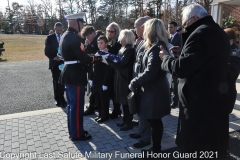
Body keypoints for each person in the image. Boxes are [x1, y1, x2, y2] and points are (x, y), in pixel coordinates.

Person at [160, 4, 230, 157]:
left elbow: (182, 69)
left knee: (195, 148)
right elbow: (201, 61)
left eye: (185, 24)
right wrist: (182, 54)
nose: (184, 28)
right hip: (212, 102)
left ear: (194, 18)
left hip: (199, 106)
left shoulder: (201, 33)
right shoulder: (217, 31)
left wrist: (166, 59)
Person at [129, 18, 171, 154]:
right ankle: (156, 149)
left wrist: (134, 82)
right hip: (153, 89)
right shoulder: (154, 45)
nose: (144, 31)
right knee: (154, 121)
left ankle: (156, 151)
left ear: (151, 30)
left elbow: (150, 72)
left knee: (154, 121)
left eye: (146, 28)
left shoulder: (156, 47)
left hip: (154, 91)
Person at [58, 13, 102, 141]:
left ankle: (74, 131)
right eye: (81, 23)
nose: (82, 26)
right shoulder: (74, 38)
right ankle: (77, 134)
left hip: (70, 74)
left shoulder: (65, 36)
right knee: (76, 107)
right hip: (75, 75)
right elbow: (84, 59)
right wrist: (99, 58)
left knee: (72, 106)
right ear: (74, 23)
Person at [105, 29, 136, 131]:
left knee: (126, 101)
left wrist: (108, 60)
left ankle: (129, 122)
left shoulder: (130, 49)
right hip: (120, 76)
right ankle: (125, 120)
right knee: (123, 101)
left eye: (121, 38)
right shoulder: (123, 48)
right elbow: (117, 60)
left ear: (126, 38)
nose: (119, 40)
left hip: (125, 78)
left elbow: (122, 63)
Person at [129, 17, 152, 148]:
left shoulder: (150, 42)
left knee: (145, 112)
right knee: (139, 111)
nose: (134, 28)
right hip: (138, 82)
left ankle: (146, 138)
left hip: (144, 83)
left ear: (144, 27)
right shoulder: (139, 41)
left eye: (136, 26)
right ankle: (141, 131)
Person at [80, 26, 103, 116]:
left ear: (93, 33)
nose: (87, 38)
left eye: (88, 36)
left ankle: (92, 107)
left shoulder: (99, 39)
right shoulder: (90, 41)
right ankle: (93, 106)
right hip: (91, 68)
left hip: (98, 69)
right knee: (92, 88)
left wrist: (88, 46)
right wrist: (87, 45)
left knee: (95, 90)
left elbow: (98, 56)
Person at [90, 35, 113, 123]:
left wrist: (105, 83)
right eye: (98, 43)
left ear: (106, 44)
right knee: (98, 98)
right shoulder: (98, 53)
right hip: (96, 80)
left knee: (104, 100)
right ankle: (100, 114)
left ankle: (105, 116)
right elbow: (93, 66)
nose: (99, 45)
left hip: (103, 81)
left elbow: (108, 70)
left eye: (101, 43)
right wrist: (91, 78)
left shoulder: (107, 54)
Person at [44, 22, 66, 108]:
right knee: (56, 82)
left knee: (62, 82)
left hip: (63, 63)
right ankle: (58, 98)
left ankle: (62, 98)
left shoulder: (64, 36)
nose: (59, 32)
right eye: (57, 30)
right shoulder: (49, 38)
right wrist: (54, 57)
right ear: (54, 29)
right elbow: (46, 52)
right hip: (54, 63)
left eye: (60, 30)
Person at [105, 22, 122, 119]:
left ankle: (116, 110)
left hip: (115, 70)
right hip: (109, 69)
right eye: (108, 31)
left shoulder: (118, 42)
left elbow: (116, 56)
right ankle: (116, 110)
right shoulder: (108, 41)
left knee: (115, 91)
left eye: (112, 31)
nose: (109, 33)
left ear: (116, 32)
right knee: (112, 91)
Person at [225, 28, 240, 114]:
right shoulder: (224, 53)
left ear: (231, 41)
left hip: (226, 96)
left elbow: (228, 74)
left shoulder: (235, 56)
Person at [168, 21, 182, 108]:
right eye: (168, 27)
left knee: (176, 84)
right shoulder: (167, 38)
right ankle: (169, 100)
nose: (169, 29)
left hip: (176, 63)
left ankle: (176, 101)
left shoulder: (179, 38)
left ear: (176, 28)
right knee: (169, 84)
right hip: (168, 63)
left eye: (171, 27)